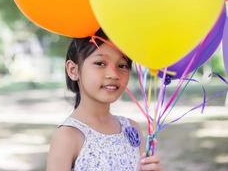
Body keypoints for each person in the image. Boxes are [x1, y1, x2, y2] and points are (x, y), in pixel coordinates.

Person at [46, 29, 162, 171]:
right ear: (73, 70)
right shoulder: (67, 137)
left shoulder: (132, 128)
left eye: (122, 65)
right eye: (100, 63)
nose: (113, 74)